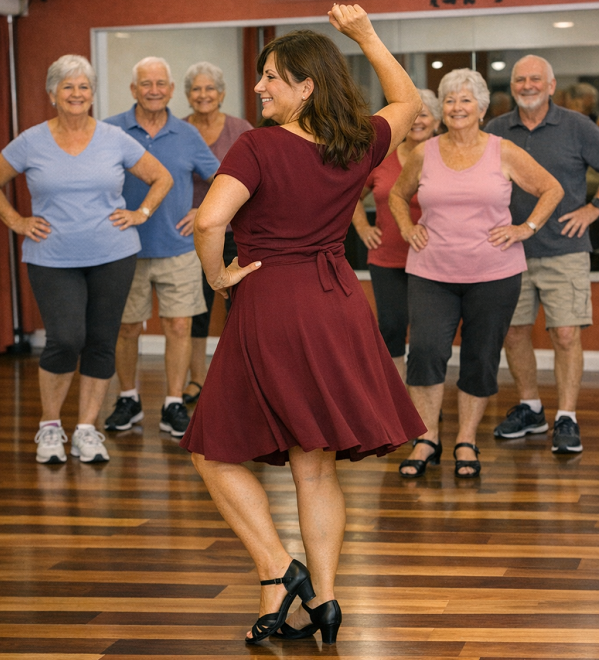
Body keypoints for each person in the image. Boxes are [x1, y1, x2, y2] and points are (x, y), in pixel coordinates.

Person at [180, 4, 424, 644]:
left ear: (307, 86)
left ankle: (277, 567)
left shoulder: (257, 146)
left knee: (210, 449)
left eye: (271, 77)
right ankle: (325, 598)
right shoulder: (356, 142)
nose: (258, 86)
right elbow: (407, 101)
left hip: (272, 302)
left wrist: (218, 276)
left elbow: (209, 221)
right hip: (337, 301)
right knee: (313, 464)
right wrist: (365, 34)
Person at [389, 68, 563, 478]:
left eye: (466, 100)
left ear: (482, 109)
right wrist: (407, 227)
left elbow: (551, 188)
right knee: (426, 353)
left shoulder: (504, 151)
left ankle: (466, 439)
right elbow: (397, 194)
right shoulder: (424, 152)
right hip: (431, 272)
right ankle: (427, 438)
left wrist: (526, 228)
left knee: (480, 357)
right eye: (450, 100)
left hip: (495, 274)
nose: (456, 107)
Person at [0, 55, 172, 464]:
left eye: (84, 87)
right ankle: (50, 426)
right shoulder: (31, 141)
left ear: (92, 94)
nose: (76, 94)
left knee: (100, 341)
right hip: (51, 256)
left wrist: (141, 213)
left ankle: (86, 429)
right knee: (65, 338)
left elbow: (161, 177)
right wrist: (17, 220)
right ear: (52, 93)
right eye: (68, 86)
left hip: (113, 254)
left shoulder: (114, 138)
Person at [486, 55, 599, 454]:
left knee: (566, 334)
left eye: (536, 79)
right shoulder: (495, 130)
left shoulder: (578, 126)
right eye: (520, 79)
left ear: (551, 86)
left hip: (564, 249)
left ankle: (566, 416)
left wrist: (593, 209)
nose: (527, 85)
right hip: (508, 250)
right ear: (512, 86)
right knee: (514, 332)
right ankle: (531, 408)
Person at [103, 57, 220, 438]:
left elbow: (223, 179)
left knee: (179, 326)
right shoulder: (110, 130)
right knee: (126, 328)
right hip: (124, 249)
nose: (153, 90)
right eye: (145, 83)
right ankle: (128, 399)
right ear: (133, 89)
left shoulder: (187, 134)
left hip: (179, 249)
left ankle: (173, 403)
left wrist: (203, 209)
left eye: (160, 84)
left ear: (170, 91)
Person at [351, 89, 440, 379]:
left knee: (427, 333)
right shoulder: (382, 157)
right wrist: (363, 228)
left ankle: (423, 393)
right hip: (387, 258)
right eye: (411, 115)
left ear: (437, 121)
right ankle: (396, 394)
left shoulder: (447, 157)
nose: (417, 121)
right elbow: (351, 195)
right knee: (391, 327)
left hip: (434, 260)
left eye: (423, 115)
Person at [181, 61, 253, 404]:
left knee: (238, 311)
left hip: (235, 234)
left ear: (221, 93)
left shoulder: (241, 130)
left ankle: (238, 381)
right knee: (196, 312)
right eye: (196, 88)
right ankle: (196, 380)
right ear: (187, 95)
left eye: (210, 88)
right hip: (190, 236)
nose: (203, 94)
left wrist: (211, 210)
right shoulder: (179, 131)